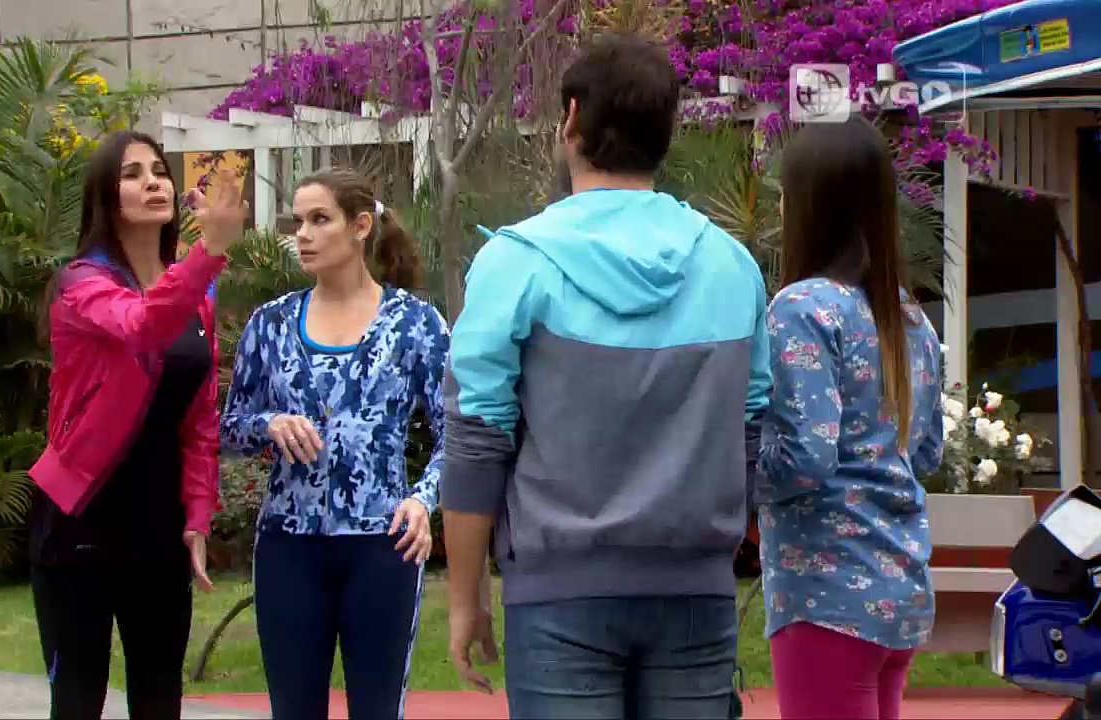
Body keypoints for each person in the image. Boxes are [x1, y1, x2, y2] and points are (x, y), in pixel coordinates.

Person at [440, 31, 772, 718]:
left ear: (570, 120)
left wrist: (467, 597)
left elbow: (477, 440)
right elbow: (752, 431)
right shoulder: (731, 267)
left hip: (557, 593)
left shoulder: (516, 264)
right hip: (697, 591)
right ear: (667, 131)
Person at [27, 130, 246, 720]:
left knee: (159, 699)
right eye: (132, 174)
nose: (153, 182)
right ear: (106, 196)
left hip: (158, 527)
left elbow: (199, 420)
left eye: (159, 171)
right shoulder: (81, 285)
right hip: (79, 523)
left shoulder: (196, 295)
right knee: (78, 701)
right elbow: (142, 326)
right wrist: (208, 253)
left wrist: (196, 516)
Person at [220, 168, 448, 720]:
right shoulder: (271, 324)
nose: (302, 234)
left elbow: (459, 434)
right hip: (288, 547)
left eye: (319, 219)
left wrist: (423, 499)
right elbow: (228, 428)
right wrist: (269, 423)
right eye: (297, 221)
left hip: (384, 545)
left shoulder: (416, 324)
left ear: (360, 226)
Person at [756, 115, 945, 720]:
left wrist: (726, 477)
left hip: (826, 592)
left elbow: (805, 458)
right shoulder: (910, 318)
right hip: (901, 587)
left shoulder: (802, 308)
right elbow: (926, 452)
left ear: (812, 205)